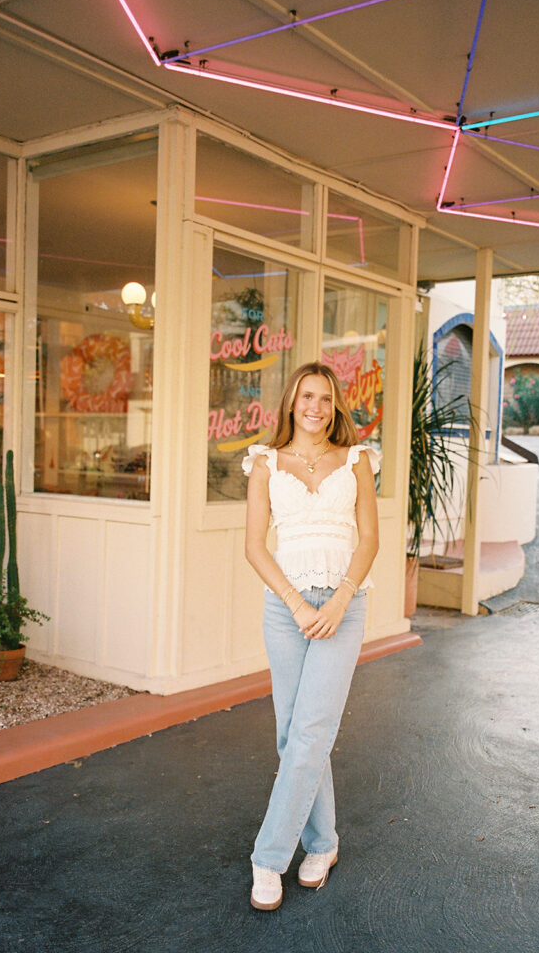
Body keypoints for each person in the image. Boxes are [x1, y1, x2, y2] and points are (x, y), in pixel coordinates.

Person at [242, 360, 380, 911]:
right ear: (291, 404)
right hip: (286, 611)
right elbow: (255, 546)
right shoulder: (265, 463)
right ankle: (323, 844)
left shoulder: (356, 461)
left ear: (336, 405)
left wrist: (341, 599)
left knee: (310, 732)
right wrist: (298, 605)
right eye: (307, 398)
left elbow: (368, 540)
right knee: (293, 736)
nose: (316, 408)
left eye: (326, 399)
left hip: (343, 607)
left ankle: (268, 858)